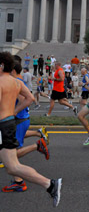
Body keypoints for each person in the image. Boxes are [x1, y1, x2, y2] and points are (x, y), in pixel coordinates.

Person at [0, 52, 62, 206]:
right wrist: (13, 112)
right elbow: (30, 99)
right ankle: (50, 185)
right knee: (12, 167)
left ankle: (50, 184)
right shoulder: (16, 82)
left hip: (1, 125)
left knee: (13, 167)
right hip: (8, 122)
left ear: (1, 65)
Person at [2, 61, 50, 193]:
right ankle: (18, 180)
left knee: (13, 157)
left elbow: (25, 100)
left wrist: (13, 110)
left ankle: (37, 146)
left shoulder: (14, 82)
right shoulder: (18, 81)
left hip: (18, 120)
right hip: (20, 120)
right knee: (11, 157)